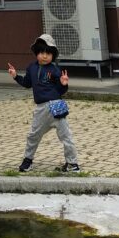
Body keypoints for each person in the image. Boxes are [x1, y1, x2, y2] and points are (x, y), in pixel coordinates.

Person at [8, 33, 79, 173]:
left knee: (66, 136)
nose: (45, 56)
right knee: (33, 135)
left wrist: (64, 84)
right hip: (40, 109)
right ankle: (27, 161)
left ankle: (72, 164)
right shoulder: (31, 68)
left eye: (48, 53)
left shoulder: (55, 70)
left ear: (53, 55)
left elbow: (60, 91)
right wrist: (15, 76)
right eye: (41, 53)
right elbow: (27, 83)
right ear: (36, 53)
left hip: (56, 106)